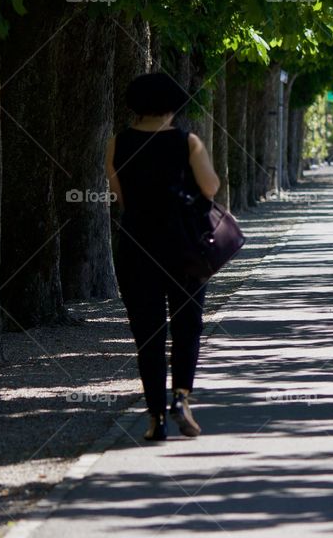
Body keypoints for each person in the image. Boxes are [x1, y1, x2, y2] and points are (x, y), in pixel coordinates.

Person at [105, 73, 220, 441]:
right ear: (172, 105)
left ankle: (155, 416)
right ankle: (182, 399)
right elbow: (211, 187)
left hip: (137, 247)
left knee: (148, 334)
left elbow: (120, 197)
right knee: (187, 327)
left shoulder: (117, 143)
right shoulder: (188, 142)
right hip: (184, 248)